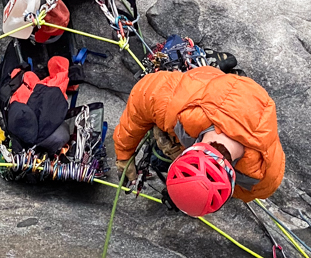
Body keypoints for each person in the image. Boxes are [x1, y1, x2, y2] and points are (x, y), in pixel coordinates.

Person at [111, 66, 284, 217]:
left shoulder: (263, 179)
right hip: (203, 83)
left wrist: (192, 191)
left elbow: (235, 191)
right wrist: (124, 154)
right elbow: (143, 95)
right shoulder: (178, 106)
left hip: (221, 96)